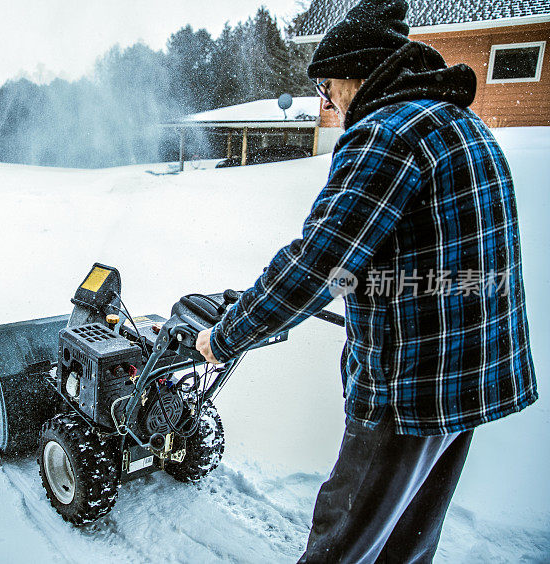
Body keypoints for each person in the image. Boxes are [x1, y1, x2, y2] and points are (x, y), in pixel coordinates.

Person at [195, 0, 538, 561]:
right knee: (405, 540)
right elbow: (433, 248)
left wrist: (227, 336)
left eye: (327, 87)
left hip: (412, 388)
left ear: (357, 74)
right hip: (474, 377)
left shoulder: (387, 135)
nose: (327, 102)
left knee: (344, 541)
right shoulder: (457, 121)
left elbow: (317, 264)